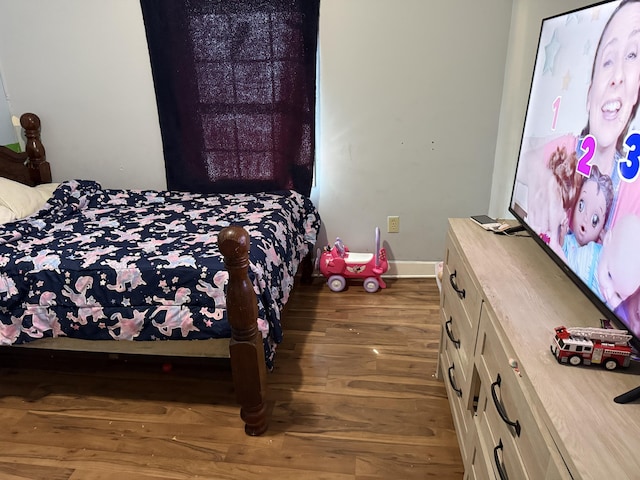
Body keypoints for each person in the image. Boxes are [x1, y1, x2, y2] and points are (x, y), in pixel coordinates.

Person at [524, 0, 640, 239]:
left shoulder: (633, 190)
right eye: (608, 60)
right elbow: (526, 161)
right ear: (589, 96)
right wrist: (539, 173)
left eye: (632, 55)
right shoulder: (568, 149)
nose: (617, 76)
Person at [560, 166, 614, 288]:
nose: (585, 218)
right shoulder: (568, 240)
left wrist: (608, 248)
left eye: (595, 219)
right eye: (581, 206)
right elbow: (559, 253)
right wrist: (562, 236)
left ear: (602, 226)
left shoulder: (597, 252)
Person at [596, 213, 640, 310]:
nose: (609, 294)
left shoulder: (619, 310)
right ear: (607, 240)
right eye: (609, 276)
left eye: (619, 296)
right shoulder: (585, 257)